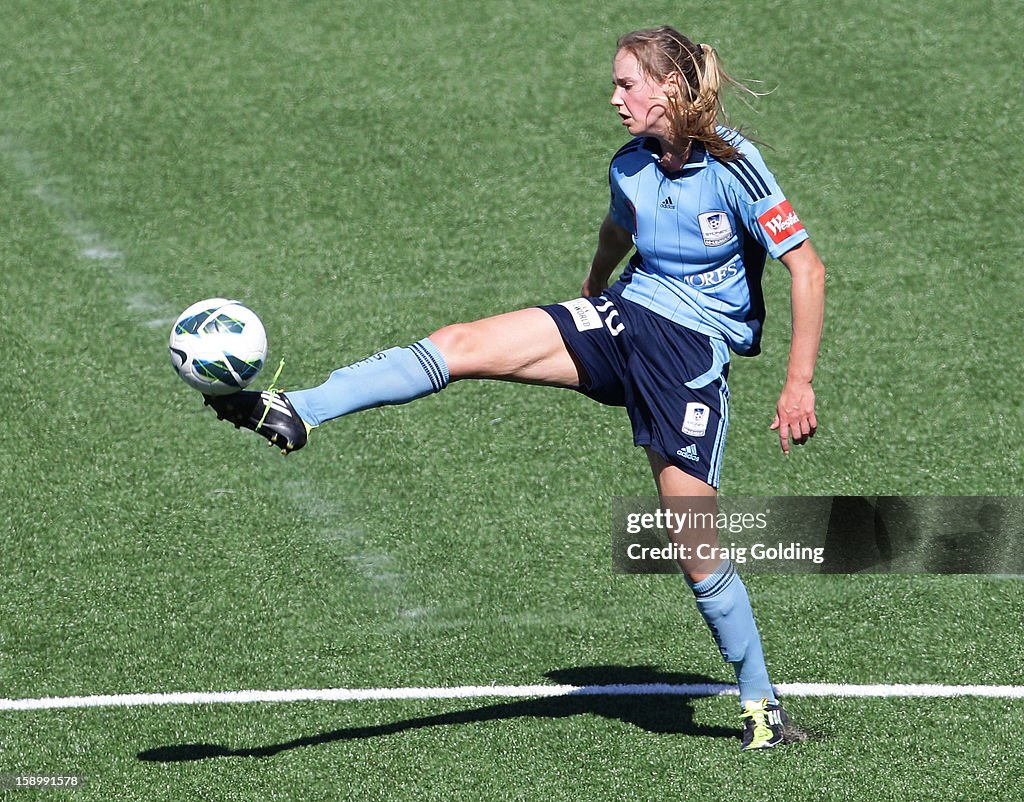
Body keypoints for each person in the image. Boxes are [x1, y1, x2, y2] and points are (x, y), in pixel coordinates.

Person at [204, 25, 825, 751]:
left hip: (689, 359)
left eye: (627, 84)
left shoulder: (737, 167)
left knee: (693, 544)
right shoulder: (630, 163)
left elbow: (805, 269)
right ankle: (298, 409)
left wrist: (797, 384)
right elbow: (617, 228)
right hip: (624, 317)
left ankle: (761, 707)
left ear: (671, 88)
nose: (615, 98)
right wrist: (591, 290)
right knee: (463, 343)